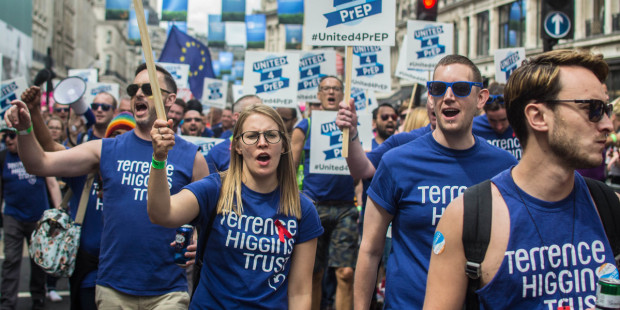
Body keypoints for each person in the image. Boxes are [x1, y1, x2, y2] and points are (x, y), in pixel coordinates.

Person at [424, 50, 617, 309]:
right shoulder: (468, 218)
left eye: (606, 109)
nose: (608, 125)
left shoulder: (609, 206)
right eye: (592, 109)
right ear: (537, 116)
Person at [7, 63, 209, 309]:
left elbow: (207, 220)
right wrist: (24, 128)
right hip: (113, 288)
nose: (138, 94)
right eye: (134, 88)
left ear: (170, 99)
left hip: (167, 291)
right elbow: (39, 163)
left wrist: (198, 238)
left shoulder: (192, 157)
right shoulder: (107, 149)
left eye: (148, 88)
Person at [351, 55, 518, 309]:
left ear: (481, 99)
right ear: (431, 97)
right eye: (439, 89)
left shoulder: (504, 166)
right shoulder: (398, 162)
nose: (448, 96)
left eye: (461, 89)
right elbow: (370, 250)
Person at [147, 104, 323, 309]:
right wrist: (159, 159)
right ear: (237, 146)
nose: (262, 143)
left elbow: (300, 293)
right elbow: (161, 213)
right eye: (252, 136)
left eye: (271, 135)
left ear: (284, 145)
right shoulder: (214, 190)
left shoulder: (303, 210)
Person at [291, 76, 357, 310]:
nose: (331, 92)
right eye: (326, 88)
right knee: (313, 274)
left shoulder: (353, 125)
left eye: (336, 88)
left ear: (342, 94)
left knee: (346, 273)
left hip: (346, 208)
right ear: (318, 95)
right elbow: (289, 169)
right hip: (313, 207)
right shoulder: (305, 126)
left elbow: (361, 167)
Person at [0, 127, 61, 310]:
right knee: (11, 259)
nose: (8, 140)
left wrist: (58, 212)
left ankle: (38, 298)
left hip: (38, 217)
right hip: (13, 215)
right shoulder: (2, 157)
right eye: (5, 137)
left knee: (38, 261)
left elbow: (52, 183)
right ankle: (7, 303)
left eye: (12, 135)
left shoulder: (35, 154)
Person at [205, 95, 263, 174]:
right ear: (237, 117)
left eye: (264, 111)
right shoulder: (217, 153)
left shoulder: (272, 148)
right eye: (255, 111)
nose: (262, 115)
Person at [472, 83, 522, 159]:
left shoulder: (523, 125)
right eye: (492, 120)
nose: (499, 127)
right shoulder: (473, 127)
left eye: (503, 120)